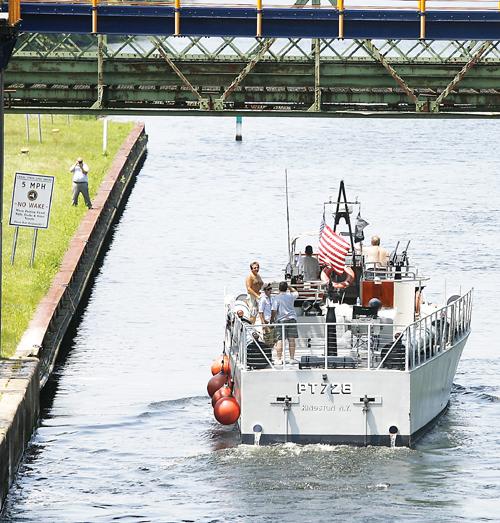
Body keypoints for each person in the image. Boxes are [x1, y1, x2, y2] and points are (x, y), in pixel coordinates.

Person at [271, 281, 299, 364]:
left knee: (280, 340)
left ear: (279, 288)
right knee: (291, 340)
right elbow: (296, 292)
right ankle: (292, 358)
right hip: (292, 319)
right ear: (286, 288)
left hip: (281, 320)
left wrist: (272, 319)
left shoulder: (277, 298)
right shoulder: (291, 295)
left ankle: (279, 359)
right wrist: (289, 286)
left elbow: (274, 310)